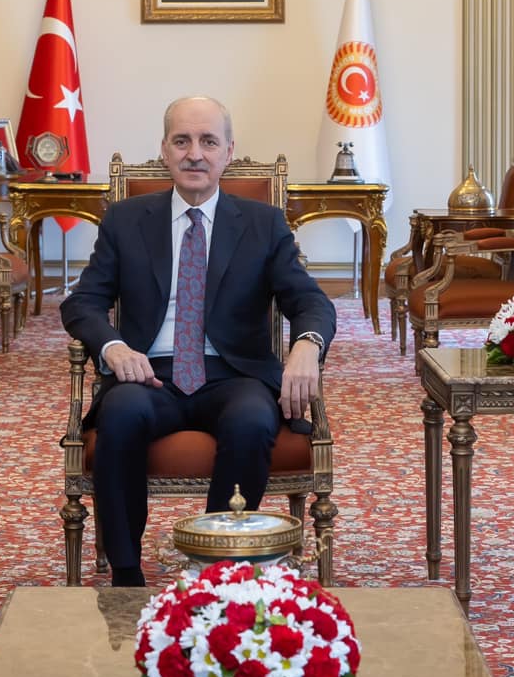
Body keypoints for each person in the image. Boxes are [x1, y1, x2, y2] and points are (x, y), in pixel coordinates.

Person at [59, 95, 335, 586]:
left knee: (252, 420)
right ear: (164, 150)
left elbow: (311, 301)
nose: (195, 154)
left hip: (233, 375)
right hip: (147, 372)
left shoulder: (263, 223)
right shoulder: (125, 221)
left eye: (208, 141)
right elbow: (82, 303)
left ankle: (216, 569)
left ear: (228, 151)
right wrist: (114, 347)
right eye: (182, 140)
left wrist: (308, 344)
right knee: (120, 416)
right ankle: (126, 574)